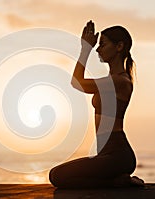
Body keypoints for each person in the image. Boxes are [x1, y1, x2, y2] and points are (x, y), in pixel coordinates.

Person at [49, 20, 144, 188]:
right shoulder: (111, 80)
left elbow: (77, 82)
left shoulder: (120, 81)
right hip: (106, 154)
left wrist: (85, 49)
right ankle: (116, 182)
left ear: (119, 46)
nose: (98, 49)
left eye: (102, 44)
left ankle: (117, 183)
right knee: (57, 176)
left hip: (118, 155)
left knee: (57, 176)